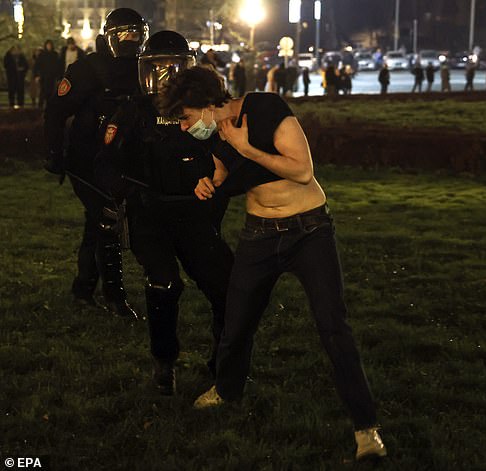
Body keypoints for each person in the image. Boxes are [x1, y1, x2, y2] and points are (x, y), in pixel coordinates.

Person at [159, 66, 388, 461]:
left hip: (309, 231)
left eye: (185, 117)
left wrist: (247, 148)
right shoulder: (212, 136)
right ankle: (227, 389)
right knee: (236, 322)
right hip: (259, 235)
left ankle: (366, 428)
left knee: (333, 326)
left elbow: (302, 170)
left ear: (207, 105)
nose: (183, 127)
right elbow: (224, 173)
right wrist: (207, 183)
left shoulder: (266, 108)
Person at [96, 31, 234, 396]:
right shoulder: (133, 112)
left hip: (195, 216)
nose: (163, 79)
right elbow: (105, 165)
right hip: (150, 215)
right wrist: (129, 193)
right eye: (155, 69)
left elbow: (231, 155)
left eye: (171, 70)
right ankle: (164, 364)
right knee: (164, 283)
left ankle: (223, 364)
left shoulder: (206, 109)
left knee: (227, 286)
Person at [43, 8, 149, 319]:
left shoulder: (143, 68)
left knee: (99, 223)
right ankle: (113, 296)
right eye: (126, 34)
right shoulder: (86, 70)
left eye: (137, 35)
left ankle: (84, 288)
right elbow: (56, 112)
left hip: (126, 160)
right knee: (106, 218)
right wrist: (54, 154)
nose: (132, 41)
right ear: (110, 37)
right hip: (87, 160)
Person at [33, 40, 62, 109]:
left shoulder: (55, 55)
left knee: (50, 92)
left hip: (52, 76)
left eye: (50, 45)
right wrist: (36, 75)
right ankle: (40, 107)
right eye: (48, 45)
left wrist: (58, 77)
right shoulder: (42, 55)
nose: (49, 47)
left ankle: (49, 107)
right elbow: (37, 65)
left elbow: (58, 66)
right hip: (43, 76)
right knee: (43, 92)